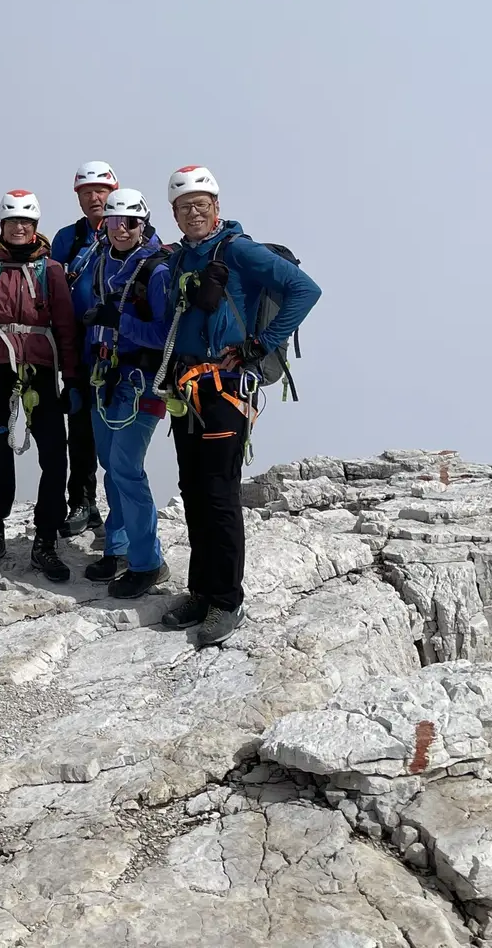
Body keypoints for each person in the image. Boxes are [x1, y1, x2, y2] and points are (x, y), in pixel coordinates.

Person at [153, 165, 321, 647]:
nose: (194, 213)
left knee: (218, 493)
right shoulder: (180, 258)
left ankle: (227, 600)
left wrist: (261, 344)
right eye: (185, 207)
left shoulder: (238, 249)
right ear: (174, 214)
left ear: (216, 207)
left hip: (227, 388)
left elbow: (305, 289)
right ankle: (202, 592)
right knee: (192, 489)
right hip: (189, 389)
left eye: (201, 205)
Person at [0, 190, 81, 581]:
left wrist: (72, 380)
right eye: (13, 222)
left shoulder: (52, 270)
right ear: (2, 225)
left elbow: (66, 329)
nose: (19, 228)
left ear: (35, 226)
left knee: (54, 455)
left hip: (40, 370)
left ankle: (45, 539)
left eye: (25, 222)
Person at [72, 187, 171, 598]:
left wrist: (120, 322)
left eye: (130, 222)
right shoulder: (100, 261)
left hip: (141, 381)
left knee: (126, 467)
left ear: (143, 223)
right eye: (114, 221)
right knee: (110, 466)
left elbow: (165, 335)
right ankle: (119, 548)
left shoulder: (157, 270)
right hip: (104, 377)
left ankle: (148, 563)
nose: (122, 229)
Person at [52, 162, 119, 537]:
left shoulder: (132, 229)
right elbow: (53, 289)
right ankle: (82, 502)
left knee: (118, 431)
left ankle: (120, 509)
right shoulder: (68, 238)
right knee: (79, 428)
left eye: (101, 190)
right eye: (87, 192)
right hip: (80, 348)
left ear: (113, 192)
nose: (95, 197)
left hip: (120, 349)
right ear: (78, 197)